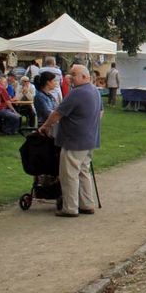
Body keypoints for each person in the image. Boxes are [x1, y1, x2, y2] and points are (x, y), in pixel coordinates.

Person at [37, 65, 103, 217]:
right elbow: (100, 113)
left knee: (69, 174)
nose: (71, 77)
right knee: (83, 172)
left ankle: (70, 207)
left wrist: (46, 126)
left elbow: (57, 113)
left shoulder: (77, 93)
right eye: (71, 74)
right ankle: (87, 204)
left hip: (74, 140)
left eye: (75, 74)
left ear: (85, 77)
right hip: (89, 139)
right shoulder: (94, 90)